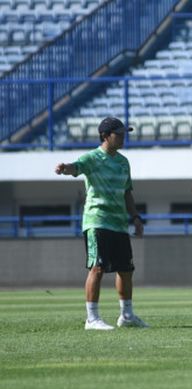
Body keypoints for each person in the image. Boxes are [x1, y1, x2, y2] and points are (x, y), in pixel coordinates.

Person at [54, 117, 147, 330]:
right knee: (97, 267)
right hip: (97, 221)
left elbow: (127, 193)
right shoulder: (92, 158)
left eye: (124, 133)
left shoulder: (124, 162)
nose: (123, 137)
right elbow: (75, 167)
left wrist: (135, 217)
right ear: (105, 136)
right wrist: (64, 167)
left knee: (125, 269)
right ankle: (92, 318)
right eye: (119, 133)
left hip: (119, 223)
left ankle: (127, 315)